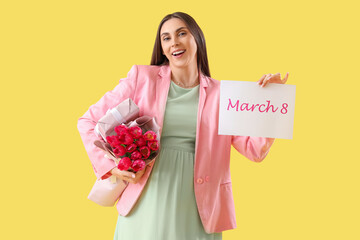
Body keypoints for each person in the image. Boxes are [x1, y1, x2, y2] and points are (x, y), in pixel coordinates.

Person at [77, 12, 289, 240]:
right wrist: (113, 166)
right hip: (146, 203)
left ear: (197, 38)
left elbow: (254, 151)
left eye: (181, 33)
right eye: (166, 38)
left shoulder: (224, 95)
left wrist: (274, 100)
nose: (174, 42)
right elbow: (87, 121)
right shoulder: (142, 78)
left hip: (199, 209)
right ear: (162, 47)